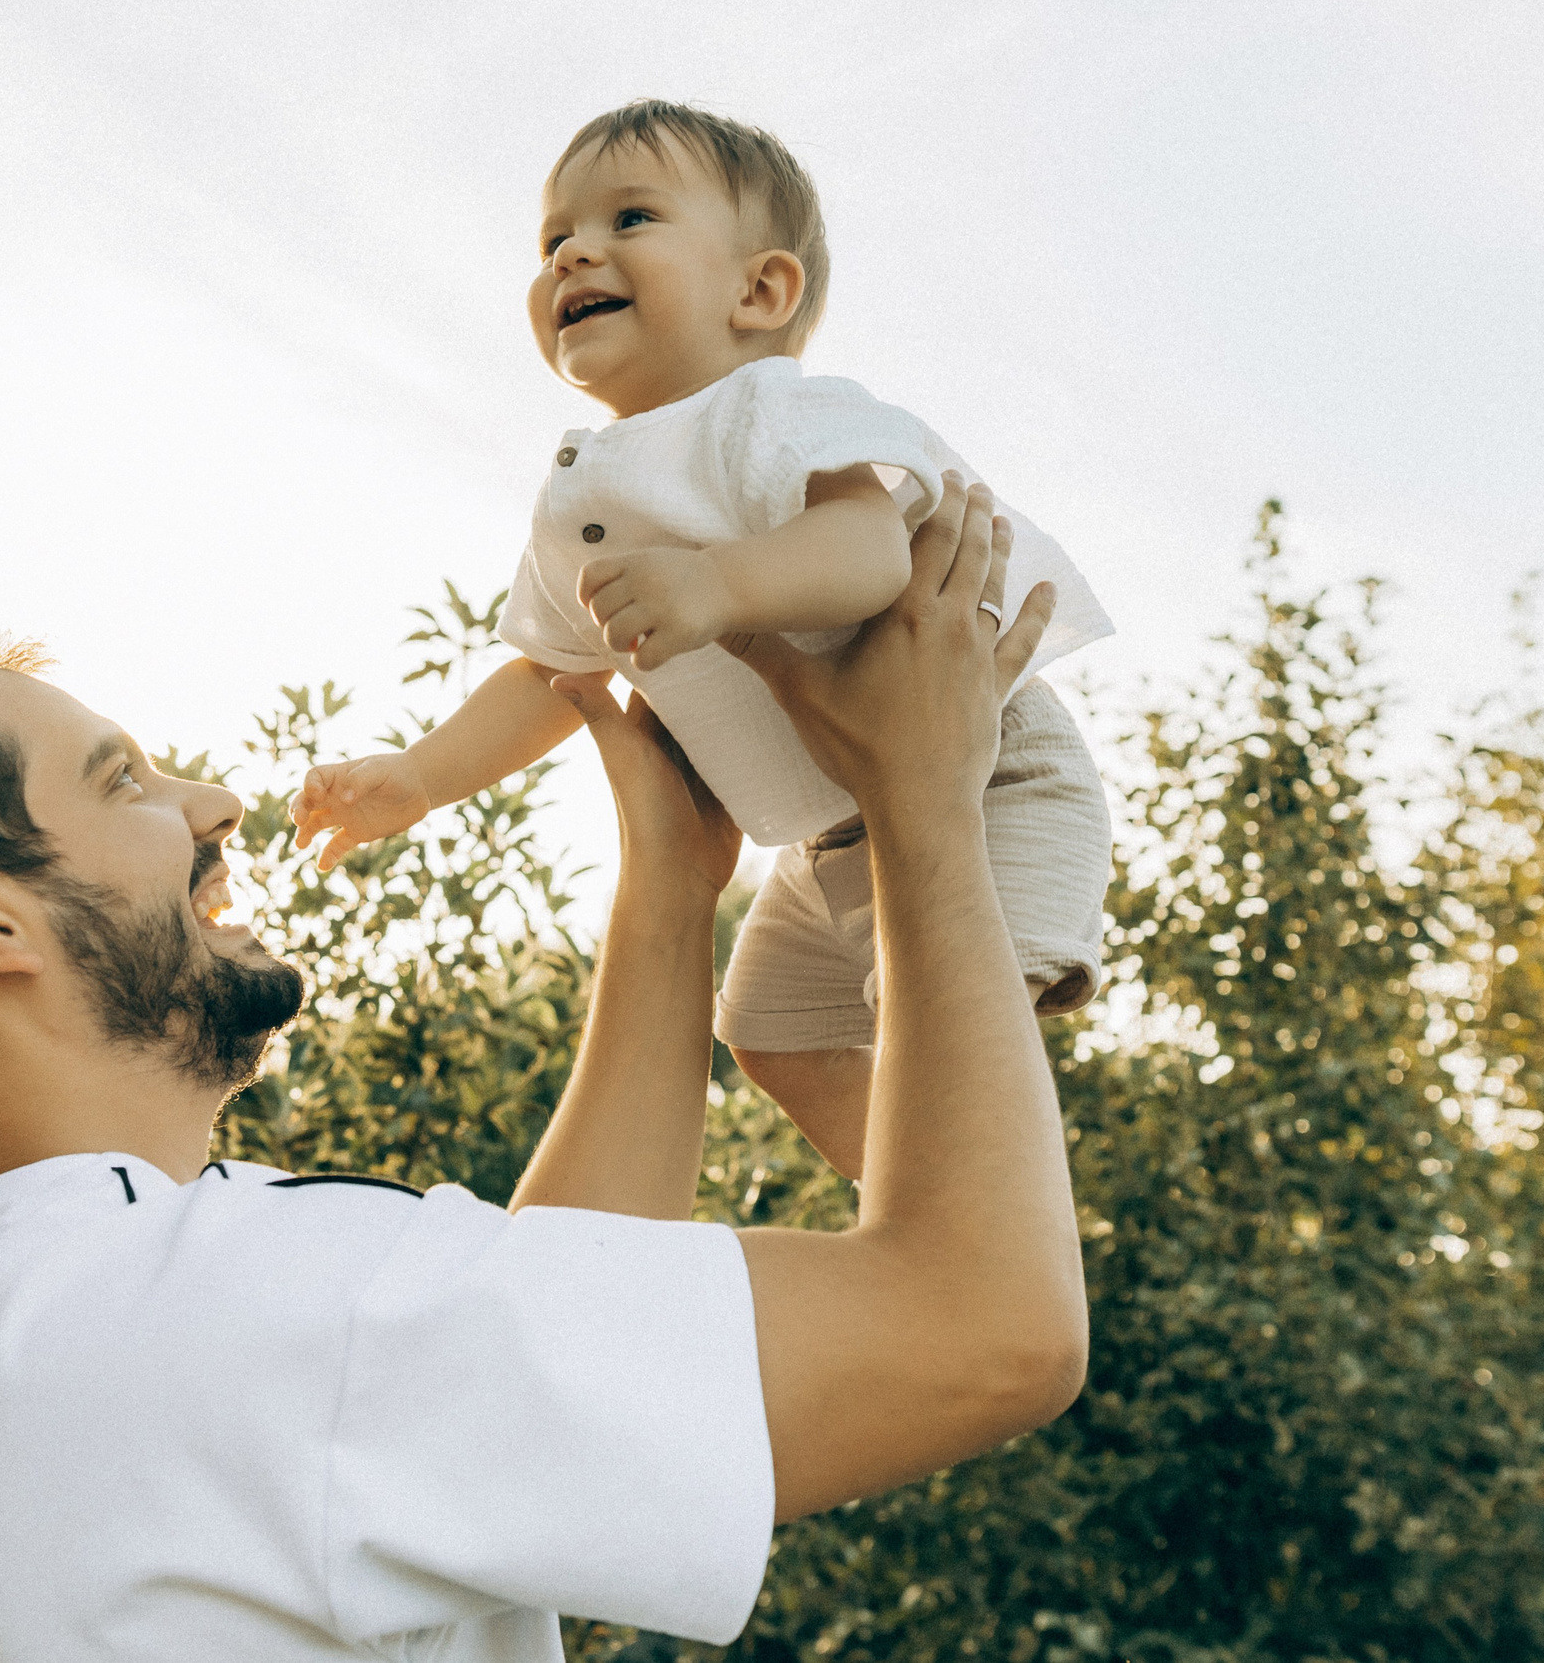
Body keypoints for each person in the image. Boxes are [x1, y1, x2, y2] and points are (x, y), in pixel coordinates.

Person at [0, 485, 1087, 1660]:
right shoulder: (253, 1303)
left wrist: (669, 900)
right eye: (122, 780)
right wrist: (923, 801)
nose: (212, 804)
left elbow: (534, 1310)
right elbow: (983, 1323)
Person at [290, 99, 1115, 1178]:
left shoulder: (776, 412)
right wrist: (421, 777)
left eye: (631, 218)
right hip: (826, 834)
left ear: (760, 290)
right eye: (553, 238)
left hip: (988, 777)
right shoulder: (582, 494)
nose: (575, 249)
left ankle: (980, 1195)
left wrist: (718, 582)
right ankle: (937, 1200)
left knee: (939, 1023)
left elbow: (870, 551)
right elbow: (556, 669)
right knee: (772, 1035)